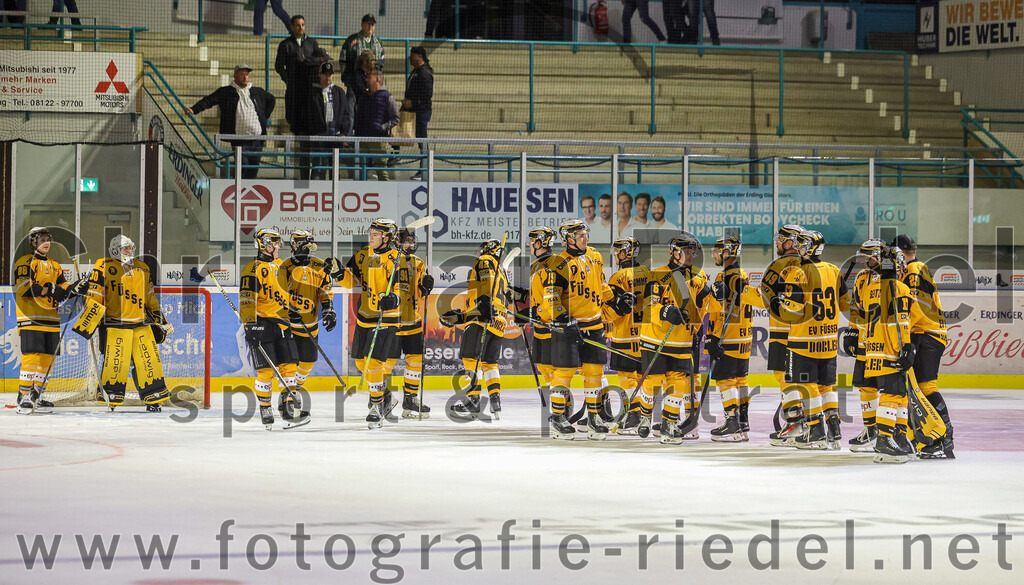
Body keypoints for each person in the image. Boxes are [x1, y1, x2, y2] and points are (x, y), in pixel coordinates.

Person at [639, 233, 718, 443]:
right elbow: (647, 307)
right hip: (655, 340)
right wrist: (664, 312)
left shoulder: (699, 279)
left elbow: (706, 306)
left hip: (682, 342)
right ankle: (645, 415)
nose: (690, 256)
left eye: (692, 252)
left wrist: (719, 295)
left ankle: (669, 423)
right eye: (686, 251)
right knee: (653, 382)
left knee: (678, 385)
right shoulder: (657, 275)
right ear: (674, 252)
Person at [78, 235, 172, 412]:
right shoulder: (104, 265)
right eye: (124, 248)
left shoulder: (142, 268)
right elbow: (96, 293)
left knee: (147, 362)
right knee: (115, 363)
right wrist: (90, 318)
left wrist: (159, 317)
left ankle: (153, 399)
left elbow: (149, 295)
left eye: (130, 247)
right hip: (114, 324)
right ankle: (112, 399)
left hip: (140, 324)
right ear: (114, 249)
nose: (128, 251)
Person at [777, 230, 849, 450]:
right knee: (827, 385)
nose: (799, 248)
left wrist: (780, 301)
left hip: (803, 340)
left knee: (807, 386)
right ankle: (834, 429)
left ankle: (815, 431)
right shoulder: (834, 270)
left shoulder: (797, 273)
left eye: (802, 245)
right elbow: (846, 304)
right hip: (827, 339)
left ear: (811, 247)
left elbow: (792, 310)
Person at [327, 219, 402, 429]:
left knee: (376, 363)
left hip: (387, 317)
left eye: (376, 234)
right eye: (371, 232)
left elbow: (404, 287)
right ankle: (385, 395)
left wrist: (395, 298)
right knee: (361, 363)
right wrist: (338, 274)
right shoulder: (362, 254)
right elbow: (352, 281)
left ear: (387, 238)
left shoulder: (397, 258)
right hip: (365, 316)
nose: (371, 236)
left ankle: (376, 406)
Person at [546, 220, 613, 441]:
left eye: (586, 234)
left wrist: (616, 300)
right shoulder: (559, 263)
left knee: (594, 373)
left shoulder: (595, 256)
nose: (586, 238)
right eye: (581, 235)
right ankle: (557, 418)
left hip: (594, 325)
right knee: (564, 373)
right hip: (568, 327)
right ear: (569, 239)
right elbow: (552, 296)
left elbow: (601, 286)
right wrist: (564, 319)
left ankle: (594, 418)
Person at [893, 234, 954, 459]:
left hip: (926, 333)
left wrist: (904, 336)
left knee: (926, 387)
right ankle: (925, 437)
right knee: (917, 389)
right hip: (928, 332)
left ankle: (943, 438)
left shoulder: (913, 270)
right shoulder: (916, 267)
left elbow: (915, 307)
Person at [240, 228, 307, 429]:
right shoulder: (252, 269)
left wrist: (293, 308)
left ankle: (287, 407)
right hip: (262, 324)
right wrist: (250, 324)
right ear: (265, 245)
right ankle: (265, 407)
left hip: (283, 323)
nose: (279, 247)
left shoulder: (281, 266)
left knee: (290, 367)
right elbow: (246, 299)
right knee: (266, 371)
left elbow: (287, 292)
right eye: (275, 244)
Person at [13, 227, 85, 413]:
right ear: (33, 242)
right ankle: (24, 395)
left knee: (48, 359)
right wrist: (48, 289)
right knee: (33, 355)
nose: (46, 242)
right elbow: (23, 287)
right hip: (31, 316)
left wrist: (76, 288)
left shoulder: (55, 264)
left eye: (48, 239)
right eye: (42, 239)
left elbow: (63, 286)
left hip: (52, 318)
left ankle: (37, 393)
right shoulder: (25, 262)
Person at [441, 239, 510, 420]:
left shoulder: (485, 261)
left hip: (482, 319)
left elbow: (485, 290)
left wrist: (484, 304)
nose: (480, 252)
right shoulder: (502, 271)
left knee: (470, 360)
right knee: (489, 363)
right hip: (498, 322)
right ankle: (495, 400)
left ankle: (472, 401)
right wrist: (461, 316)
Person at [861, 247, 918, 464]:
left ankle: (899, 436)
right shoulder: (900, 288)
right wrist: (906, 348)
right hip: (890, 349)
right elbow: (900, 322)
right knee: (893, 395)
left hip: (872, 349)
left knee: (900, 395)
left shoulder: (870, 288)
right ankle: (885, 440)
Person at [753, 224, 805, 446]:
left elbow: (763, 298)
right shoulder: (809, 263)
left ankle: (795, 422)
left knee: (784, 376)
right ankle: (817, 424)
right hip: (806, 332)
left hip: (782, 329)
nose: (777, 243)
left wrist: (743, 294)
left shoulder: (779, 264)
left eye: (781, 239)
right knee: (808, 379)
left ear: (791, 242)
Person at [186, 64, 276, 180]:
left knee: (253, 171)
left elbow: (271, 100)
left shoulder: (257, 91)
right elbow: (209, 100)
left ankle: (247, 195)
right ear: (235, 76)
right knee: (242, 168)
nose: (245, 77)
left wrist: (264, 116)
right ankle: (238, 191)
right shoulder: (225, 92)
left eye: (246, 74)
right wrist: (194, 109)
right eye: (241, 74)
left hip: (257, 140)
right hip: (239, 140)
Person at [705, 234, 752, 441]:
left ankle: (732, 421)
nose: (714, 254)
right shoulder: (741, 274)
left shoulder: (727, 277)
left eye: (717, 251)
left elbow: (719, 311)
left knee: (726, 380)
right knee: (740, 380)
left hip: (729, 337)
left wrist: (713, 337)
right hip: (744, 338)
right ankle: (742, 422)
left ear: (727, 253)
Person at [279, 230, 334, 399]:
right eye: (298, 244)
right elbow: (278, 293)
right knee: (290, 364)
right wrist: (288, 310)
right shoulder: (284, 266)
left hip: (310, 325)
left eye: (305, 244)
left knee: (308, 361)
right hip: (288, 326)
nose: (302, 247)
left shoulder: (320, 266)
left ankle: (295, 389)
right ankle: (289, 394)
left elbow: (325, 291)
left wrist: (328, 309)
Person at [603, 237, 648, 433]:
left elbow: (614, 309)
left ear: (626, 252)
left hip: (625, 334)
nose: (615, 255)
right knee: (642, 377)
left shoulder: (619, 277)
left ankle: (634, 415)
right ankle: (643, 414)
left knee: (627, 377)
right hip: (646, 334)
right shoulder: (648, 272)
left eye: (618, 251)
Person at [389, 227, 434, 418]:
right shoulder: (388, 259)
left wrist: (426, 286)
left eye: (412, 241)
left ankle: (410, 397)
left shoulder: (418, 262)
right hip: (392, 320)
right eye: (406, 241)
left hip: (413, 319)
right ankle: (381, 397)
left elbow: (421, 291)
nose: (410, 244)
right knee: (386, 362)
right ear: (396, 242)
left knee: (415, 360)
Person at [845, 238, 885, 453]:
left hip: (886, 343)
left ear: (878, 257)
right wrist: (851, 330)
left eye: (867, 257)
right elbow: (856, 307)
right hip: (865, 341)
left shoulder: (894, 278)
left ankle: (893, 432)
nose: (862, 261)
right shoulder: (861, 277)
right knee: (865, 386)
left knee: (891, 390)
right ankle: (871, 430)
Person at [302, 61, 351, 180]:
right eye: (325, 74)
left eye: (330, 74)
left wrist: (344, 131)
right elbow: (307, 113)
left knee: (335, 167)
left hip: (336, 135)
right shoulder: (312, 92)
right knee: (318, 166)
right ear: (320, 74)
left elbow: (346, 113)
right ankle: (317, 192)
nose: (327, 77)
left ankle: (334, 193)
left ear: (333, 75)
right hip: (319, 135)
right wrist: (313, 131)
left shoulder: (339, 92)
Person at [275, 15, 322, 134]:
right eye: (298, 25)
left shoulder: (312, 43)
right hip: (294, 88)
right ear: (292, 27)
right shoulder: (285, 45)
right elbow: (279, 66)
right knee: (294, 118)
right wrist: (288, 79)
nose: (301, 28)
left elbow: (319, 61)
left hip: (309, 87)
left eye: (303, 25)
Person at [354, 69, 400, 181]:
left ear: (378, 79)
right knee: (361, 167)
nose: (366, 79)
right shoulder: (364, 96)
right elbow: (358, 116)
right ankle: (360, 190)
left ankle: (385, 192)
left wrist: (382, 128)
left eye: (369, 77)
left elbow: (395, 118)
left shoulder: (387, 97)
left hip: (378, 139)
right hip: (363, 137)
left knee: (381, 168)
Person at [402, 46, 434, 181]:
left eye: (412, 55)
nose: (410, 58)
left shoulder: (424, 73)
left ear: (419, 57)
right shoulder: (416, 71)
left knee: (422, 141)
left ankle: (424, 170)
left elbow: (427, 95)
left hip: (421, 112)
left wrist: (413, 103)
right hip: (413, 111)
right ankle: (394, 155)